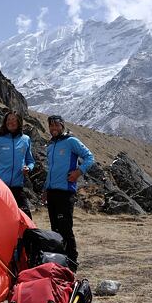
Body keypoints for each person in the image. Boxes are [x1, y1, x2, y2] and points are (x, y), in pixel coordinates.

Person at [42, 115, 94, 270]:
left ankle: (72, 263)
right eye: (51, 126)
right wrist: (45, 189)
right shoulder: (50, 146)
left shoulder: (71, 141)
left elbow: (90, 157)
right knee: (55, 229)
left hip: (65, 193)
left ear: (62, 126)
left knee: (65, 228)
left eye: (56, 125)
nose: (54, 128)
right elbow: (50, 170)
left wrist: (79, 172)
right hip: (52, 192)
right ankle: (60, 261)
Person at [0, 111, 35, 218]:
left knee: (26, 217)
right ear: (5, 122)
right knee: (2, 218)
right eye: (8, 120)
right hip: (0, 187)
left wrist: (29, 168)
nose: (10, 122)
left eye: (13, 119)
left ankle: (24, 235)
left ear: (19, 122)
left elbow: (31, 161)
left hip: (18, 186)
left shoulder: (26, 139)